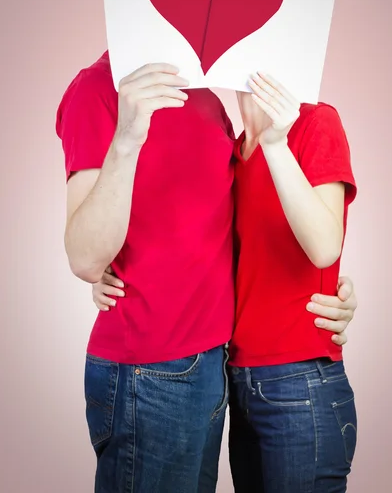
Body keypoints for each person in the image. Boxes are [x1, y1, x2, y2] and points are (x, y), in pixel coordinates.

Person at [57, 51, 357, 493]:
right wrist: (105, 264)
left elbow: (308, 246)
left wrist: (336, 290)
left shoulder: (228, 107)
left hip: (249, 375)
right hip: (180, 373)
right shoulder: (103, 90)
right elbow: (90, 252)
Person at [227, 72, 358, 492]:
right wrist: (109, 272)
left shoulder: (315, 122)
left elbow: (324, 247)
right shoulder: (229, 153)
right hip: (237, 381)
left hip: (301, 382)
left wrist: (275, 143)